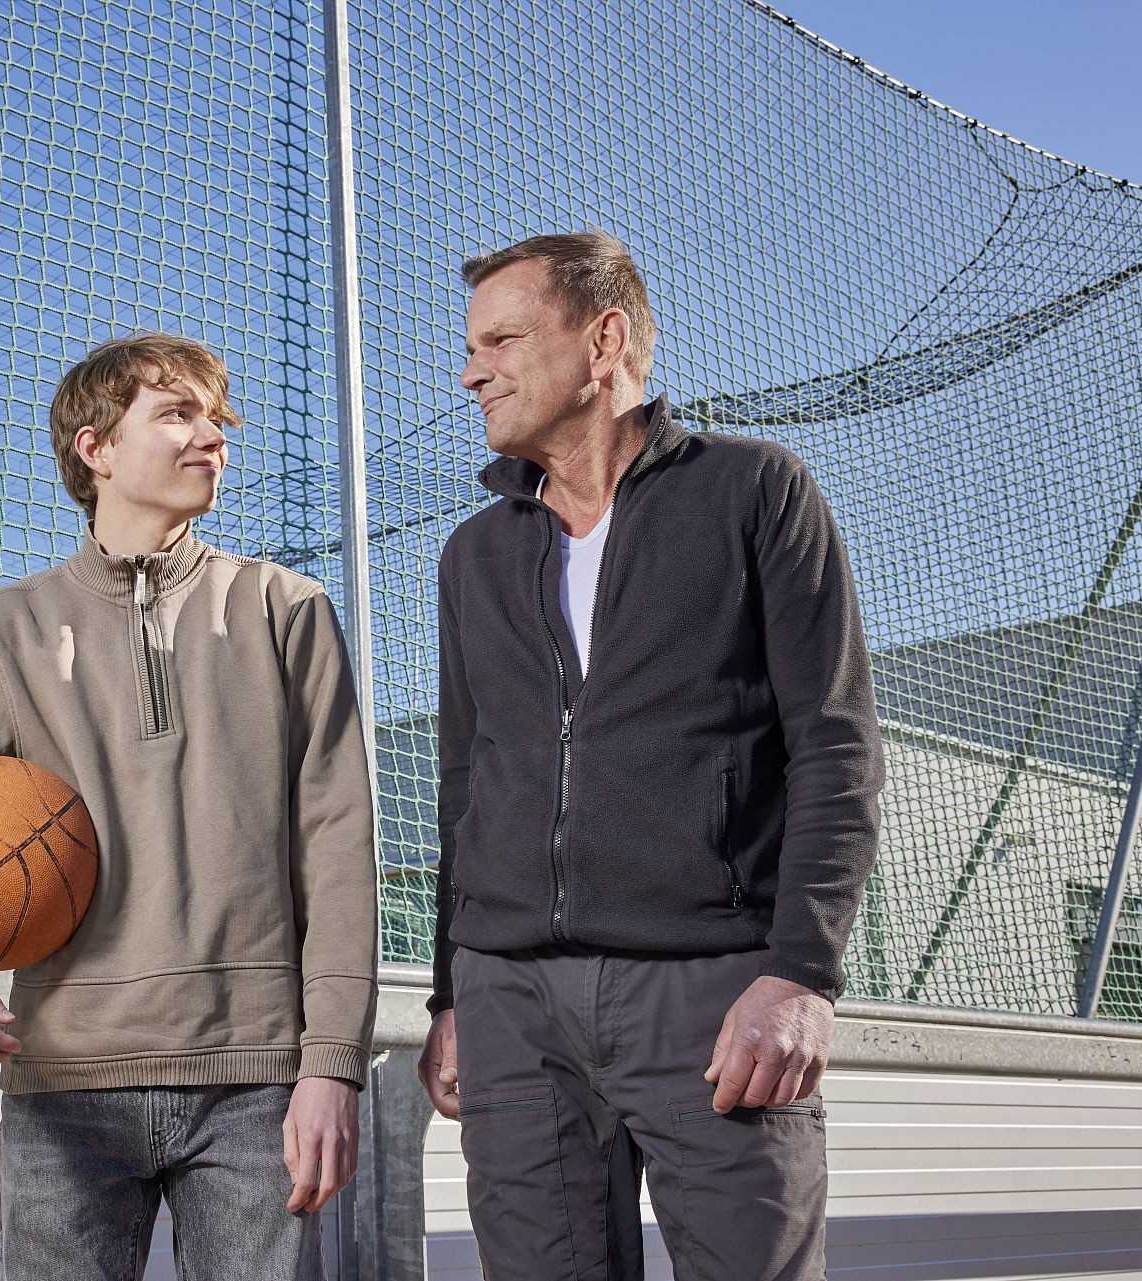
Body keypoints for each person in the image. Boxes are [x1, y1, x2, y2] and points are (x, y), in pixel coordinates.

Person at [0, 332, 378, 1281]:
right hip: (64, 1080)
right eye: (178, 414)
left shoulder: (288, 610)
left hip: (257, 1079)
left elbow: (339, 849)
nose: (213, 438)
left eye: (218, 419)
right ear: (95, 447)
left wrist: (331, 1063)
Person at [418, 231, 883, 1280]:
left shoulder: (755, 492)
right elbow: (466, 789)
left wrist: (800, 972)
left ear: (604, 340)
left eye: (502, 338)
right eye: (471, 344)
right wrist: (452, 999)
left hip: (712, 993)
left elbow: (834, 748)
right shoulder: (474, 555)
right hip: (513, 1006)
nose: (471, 369)